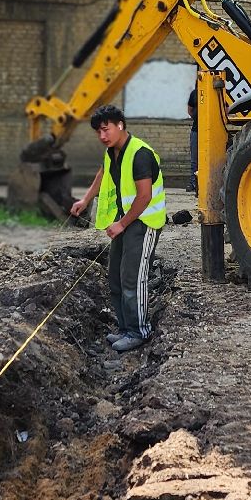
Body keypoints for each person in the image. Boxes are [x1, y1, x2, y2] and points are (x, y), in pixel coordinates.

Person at [69, 104, 165, 352]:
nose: (102, 136)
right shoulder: (113, 151)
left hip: (143, 223)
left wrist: (122, 224)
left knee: (133, 279)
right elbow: (103, 173)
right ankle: (124, 328)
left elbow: (144, 196)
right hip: (125, 221)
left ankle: (138, 332)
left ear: (120, 125)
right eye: (98, 132)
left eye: (105, 129)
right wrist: (85, 200)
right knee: (116, 279)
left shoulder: (140, 154)